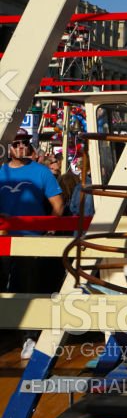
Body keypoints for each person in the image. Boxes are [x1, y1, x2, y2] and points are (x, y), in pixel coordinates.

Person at [0, 135, 64, 360]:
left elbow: (57, 204)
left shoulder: (41, 172)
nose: (21, 146)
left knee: (27, 286)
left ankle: (29, 336)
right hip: (3, 239)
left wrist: (50, 228)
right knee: (6, 285)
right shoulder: (0, 172)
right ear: (8, 147)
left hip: (30, 239)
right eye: (16, 143)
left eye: (24, 143)